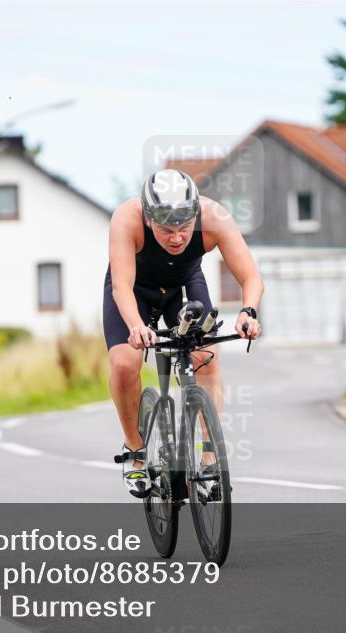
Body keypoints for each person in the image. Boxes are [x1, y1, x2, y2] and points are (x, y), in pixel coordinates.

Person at [104, 169, 264, 497]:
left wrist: (248, 312)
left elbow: (251, 277)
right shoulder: (127, 217)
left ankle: (208, 458)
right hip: (136, 291)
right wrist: (137, 326)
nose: (176, 238)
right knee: (124, 364)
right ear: (149, 219)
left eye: (184, 228)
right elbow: (121, 287)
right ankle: (135, 452)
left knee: (206, 354)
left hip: (184, 286)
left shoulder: (214, 216)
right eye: (166, 230)